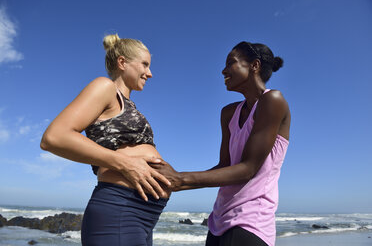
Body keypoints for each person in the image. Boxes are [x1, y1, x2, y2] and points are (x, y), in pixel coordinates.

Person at [150, 41, 290, 246]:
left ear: (255, 66)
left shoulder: (273, 100)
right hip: (218, 222)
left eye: (231, 63)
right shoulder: (228, 113)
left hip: (251, 223)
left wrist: (181, 179)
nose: (223, 70)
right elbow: (226, 167)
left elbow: (248, 169)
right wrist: (173, 180)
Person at [40, 34, 171, 246]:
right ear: (122, 62)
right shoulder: (105, 87)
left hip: (142, 217)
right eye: (145, 65)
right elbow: (54, 137)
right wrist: (125, 164)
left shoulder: (128, 104)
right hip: (120, 211)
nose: (150, 73)